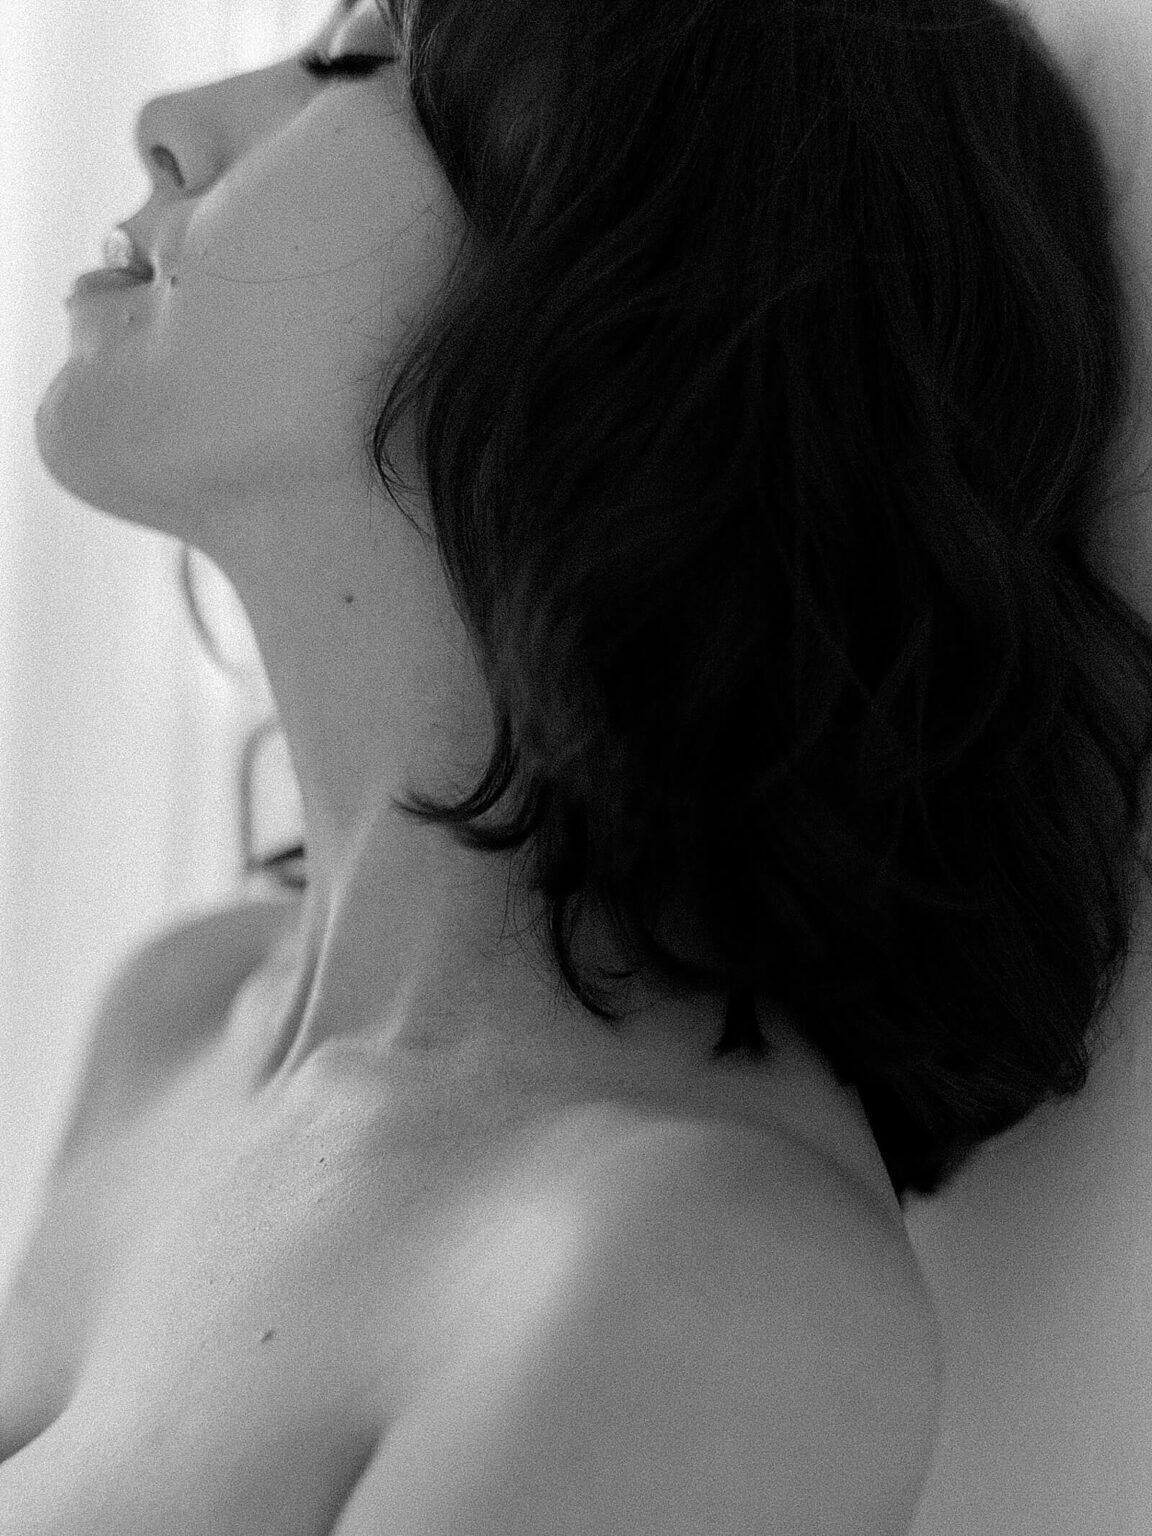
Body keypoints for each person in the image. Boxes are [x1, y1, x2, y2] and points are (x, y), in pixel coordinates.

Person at [6, 0, 1152, 1527]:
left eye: (359, 66)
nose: (168, 126)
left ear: (643, 296)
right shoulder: (178, 1022)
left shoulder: (698, 1281)